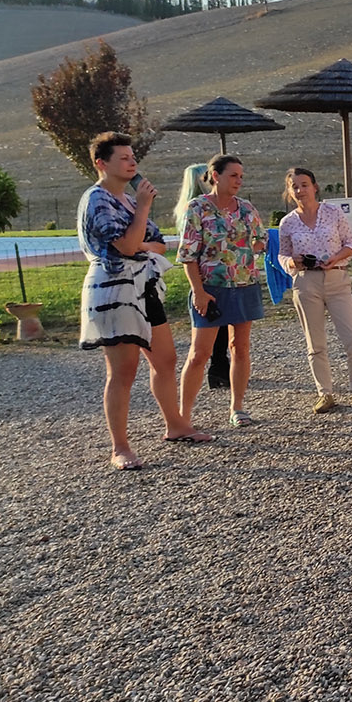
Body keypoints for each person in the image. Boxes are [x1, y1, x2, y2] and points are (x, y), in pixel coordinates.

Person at [78, 132, 212, 471]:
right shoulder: (97, 200)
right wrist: (142, 212)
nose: (132, 162)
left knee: (165, 359)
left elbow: (158, 243)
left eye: (132, 156)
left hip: (143, 286)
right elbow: (126, 246)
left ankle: (176, 425)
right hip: (114, 290)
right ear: (101, 163)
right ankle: (120, 447)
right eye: (123, 157)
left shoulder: (126, 199)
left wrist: (137, 238)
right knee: (123, 370)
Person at [277, 167, 352, 414]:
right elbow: (282, 254)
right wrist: (292, 262)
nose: (300, 190)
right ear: (289, 192)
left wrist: (335, 258)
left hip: (336, 278)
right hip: (306, 281)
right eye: (294, 186)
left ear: (315, 187)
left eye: (304, 185)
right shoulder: (287, 222)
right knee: (315, 343)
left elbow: (351, 244)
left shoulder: (333, 212)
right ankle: (324, 393)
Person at [178, 154, 266, 428]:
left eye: (241, 176)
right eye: (233, 175)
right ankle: (183, 415)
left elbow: (261, 238)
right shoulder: (198, 208)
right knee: (199, 353)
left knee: (240, 347)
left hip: (244, 285)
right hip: (210, 289)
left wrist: (248, 249)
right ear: (215, 176)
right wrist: (198, 291)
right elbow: (188, 255)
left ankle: (237, 407)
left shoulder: (246, 208)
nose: (239, 181)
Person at [175, 163, 233, 389]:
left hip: (205, 272)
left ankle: (218, 367)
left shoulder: (186, 207)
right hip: (210, 273)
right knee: (215, 323)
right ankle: (218, 366)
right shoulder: (199, 208)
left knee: (215, 322)